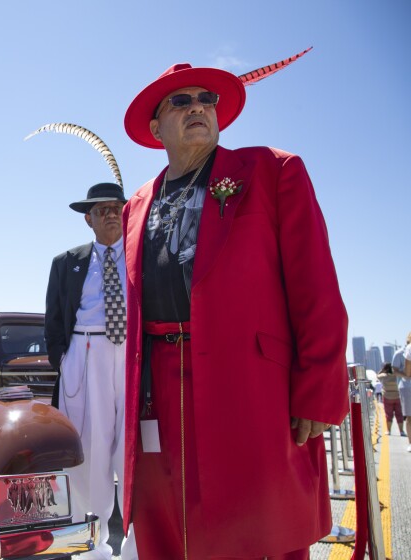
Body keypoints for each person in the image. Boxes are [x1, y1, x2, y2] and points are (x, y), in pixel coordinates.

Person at [119, 63, 349, 559]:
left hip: (251, 387)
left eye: (206, 98)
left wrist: (317, 390)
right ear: (157, 129)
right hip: (158, 392)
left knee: (259, 526)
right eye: (180, 101)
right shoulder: (135, 205)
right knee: (170, 528)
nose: (198, 106)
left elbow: (317, 288)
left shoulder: (272, 170)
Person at [45, 182, 136, 560]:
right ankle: (92, 547)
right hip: (85, 353)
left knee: (134, 450)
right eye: (102, 210)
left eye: (117, 207)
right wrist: (64, 361)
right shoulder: (67, 261)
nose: (111, 214)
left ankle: (135, 545)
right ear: (88, 219)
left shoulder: (142, 256)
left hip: (132, 354)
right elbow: (53, 319)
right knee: (90, 452)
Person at [394, 332, 411, 450]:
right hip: (407, 385)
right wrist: (405, 375)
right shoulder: (399, 353)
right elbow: (394, 370)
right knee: (409, 416)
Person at [377, 362, 404, 436]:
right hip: (398, 396)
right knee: (399, 414)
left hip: (387, 396)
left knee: (388, 415)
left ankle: (388, 431)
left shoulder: (383, 376)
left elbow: (377, 376)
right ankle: (401, 431)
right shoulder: (397, 376)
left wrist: (382, 370)